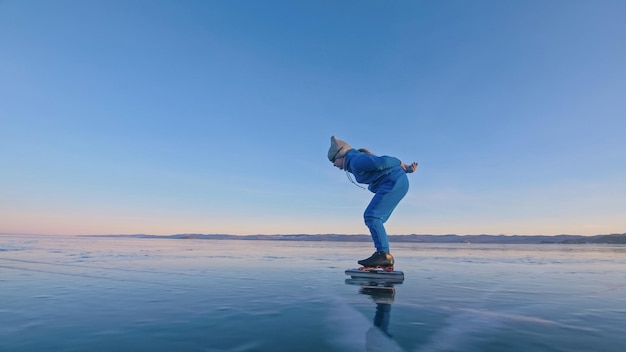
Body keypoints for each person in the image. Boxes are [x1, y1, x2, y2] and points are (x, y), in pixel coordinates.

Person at [327, 136, 418, 268]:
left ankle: (383, 255)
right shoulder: (354, 161)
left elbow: (383, 162)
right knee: (374, 218)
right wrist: (406, 169)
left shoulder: (355, 161)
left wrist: (400, 163)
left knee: (372, 216)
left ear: (340, 154)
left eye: (333, 161)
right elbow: (381, 168)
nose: (334, 165)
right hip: (396, 182)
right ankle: (383, 256)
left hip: (394, 183)